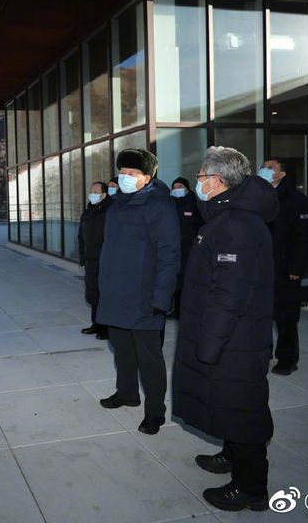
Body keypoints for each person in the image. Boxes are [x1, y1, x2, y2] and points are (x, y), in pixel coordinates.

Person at [172, 146, 278, 512]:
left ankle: (251, 488)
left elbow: (229, 293)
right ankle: (231, 455)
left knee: (243, 409)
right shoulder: (226, 217)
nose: (197, 183)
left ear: (217, 181)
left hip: (235, 339)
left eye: (200, 177)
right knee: (229, 403)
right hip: (230, 335)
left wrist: (209, 344)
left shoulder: (236, 225)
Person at [96, 148, 180, 436]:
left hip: (144, 296)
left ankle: (155, 412)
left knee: (149, 359)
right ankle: (127, 393)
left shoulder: (160, 207)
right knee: (122, 350)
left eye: (132, 173)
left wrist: (161, 297)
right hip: (115, 293)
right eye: (123, 172)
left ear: (148, 177)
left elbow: (169, 255)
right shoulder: (117, 204)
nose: (125, 178)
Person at [258, 158, 308, 376]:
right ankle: (262, 354)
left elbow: (303, 237)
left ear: (281, 174)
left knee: (285, 316)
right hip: (261, 267)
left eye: (270, 168)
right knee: (261, 315)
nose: (264, 170)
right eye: (263, 166)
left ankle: (288, 359)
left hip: (285, 267)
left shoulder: (296, 200)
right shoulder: (258, 197)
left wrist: (296, 268)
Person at [78, 180, 112, 340]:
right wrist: (82, 259)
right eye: (91, 191)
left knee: (105, 294)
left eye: (96, 192)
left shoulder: (110, 212)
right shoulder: (87, 212)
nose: (92, 194)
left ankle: (107, 328)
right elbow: (81, 237)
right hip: (90, 260)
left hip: (105, 260)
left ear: (104, 195)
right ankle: (96, 323)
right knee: (92, 293)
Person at [170, 176, 204, 319]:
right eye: (174, 187)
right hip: (173, 248)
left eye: (180, 187)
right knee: (174, 281)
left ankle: (184, 310)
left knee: (185, 280)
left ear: (187, 189)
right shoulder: (169, 204)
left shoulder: (195, 204)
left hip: (189, 249)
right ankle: (175, 309)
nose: (177, 190)